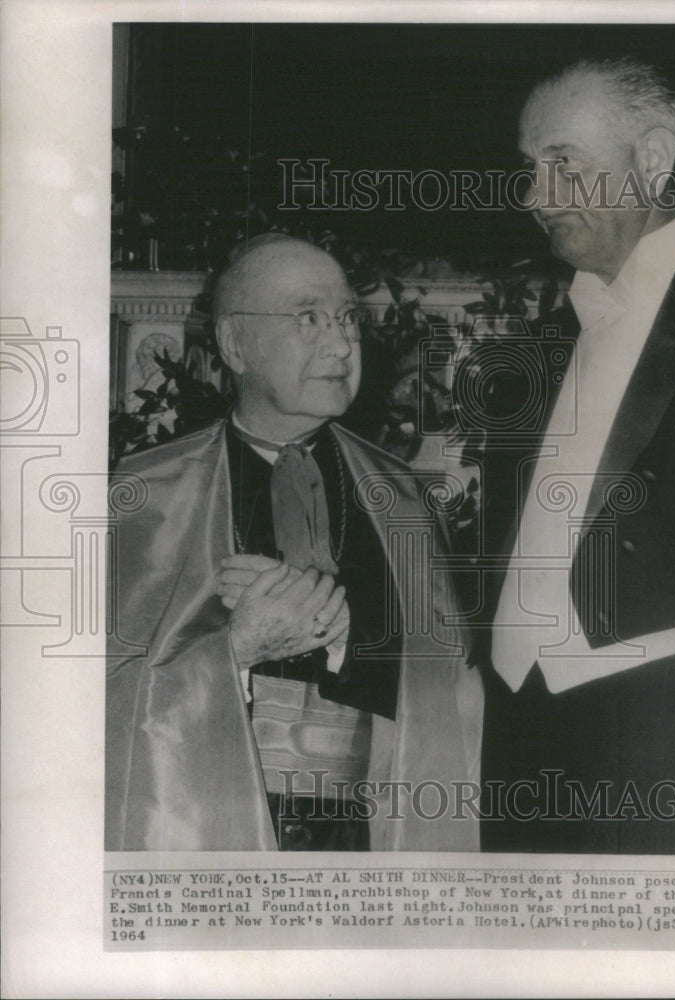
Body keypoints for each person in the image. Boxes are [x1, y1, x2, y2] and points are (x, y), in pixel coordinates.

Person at [482, 57, 675, 854]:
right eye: (528, 169)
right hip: (519, 748)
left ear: (653, 156)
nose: (535, 196)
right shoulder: (538, 354)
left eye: (561, 164)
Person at [106, 233, 483, 852]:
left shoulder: (405, 496)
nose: (340, 344)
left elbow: (455, 689)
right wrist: (236, 649)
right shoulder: (145, 493)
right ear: (234, 344)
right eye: (308, 318)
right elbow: (87, 706)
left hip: (363, 838)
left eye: (347, 319)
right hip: (204, 828)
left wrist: (343, 639)